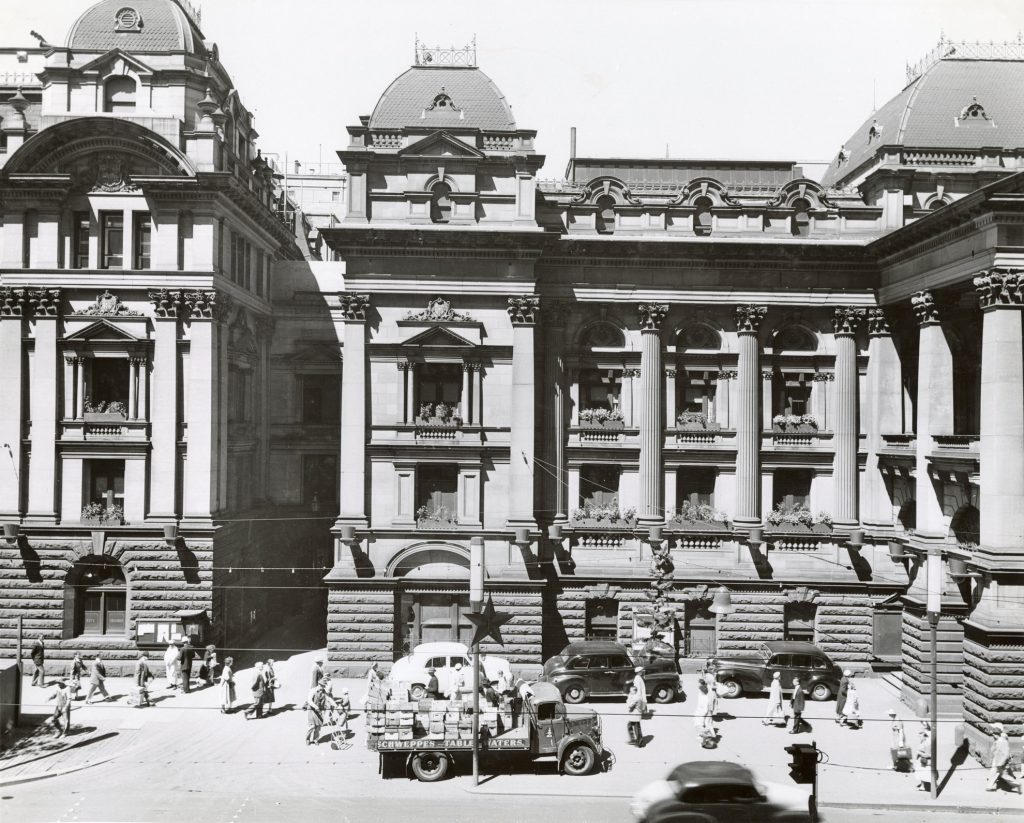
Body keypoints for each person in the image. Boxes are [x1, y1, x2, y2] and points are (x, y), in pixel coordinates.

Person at [987, 722, 1021, 793]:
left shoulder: (1002, 741)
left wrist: (1001, 762)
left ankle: (1017, 784)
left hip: (1001, 762)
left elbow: (1006, 753)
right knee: (996, 773)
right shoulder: (998, 740)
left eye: (993, 734)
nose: (992, 735)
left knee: (1003, 775)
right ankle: (991, 786)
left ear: (997, 734)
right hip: (998, 760)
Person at [306, 677, 337, 745]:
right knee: (312, 726)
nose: (323, 687)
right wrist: (315, 706)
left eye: (324, 686)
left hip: (320, 711)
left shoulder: (324, 691)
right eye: (323, 686)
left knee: (318, 727)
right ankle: (307, 739)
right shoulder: (313, 690)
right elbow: (309, 700)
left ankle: (315, 739)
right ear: (319, 685)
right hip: (312, 711)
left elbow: (328, 698)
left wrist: (335, 704)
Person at [914, 721, 931, 791]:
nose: (922, 726)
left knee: (926, 772)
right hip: (922, 757)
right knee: (921, 772)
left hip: (925, 758)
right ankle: (923, 785)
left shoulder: (928, 736)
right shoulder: (923, 736)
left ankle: (931, 786)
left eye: (924, 724)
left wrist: (919, 752)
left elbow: (928, 753)